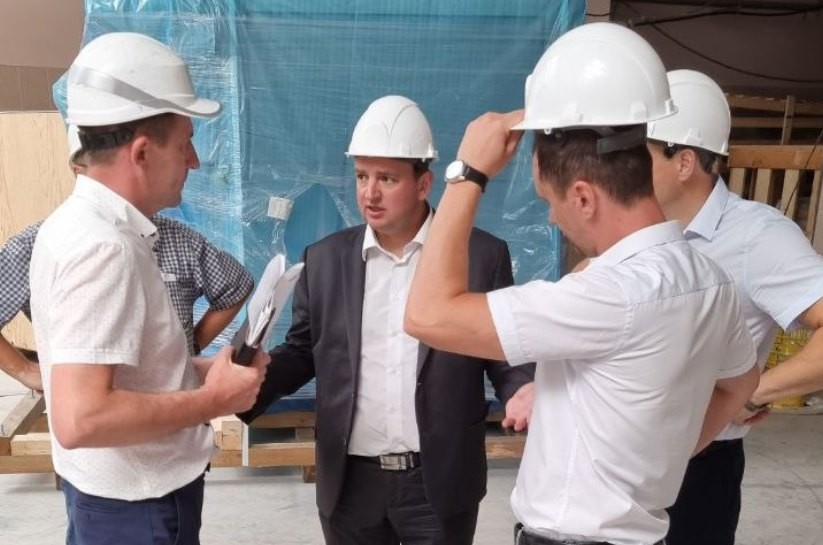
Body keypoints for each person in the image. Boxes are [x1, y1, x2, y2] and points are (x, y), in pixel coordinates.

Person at [403, 23, 759, 545]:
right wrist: (666, 453)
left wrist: (469, 174)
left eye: (550, 203)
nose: (551, 219)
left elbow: (427, 315)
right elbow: (740, 383)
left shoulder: (609, 297)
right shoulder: (711, 281)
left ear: (584, 197)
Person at [238, 95, 535, 545]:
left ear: (423, 184)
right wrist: (240, 389)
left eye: (387, 178)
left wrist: (521, 389)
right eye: (362, 176)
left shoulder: (479, 256)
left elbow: (500, 348)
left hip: (438, 483)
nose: (369, 193)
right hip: (350, 484)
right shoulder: (326, 260)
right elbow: (302, 351)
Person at [29, 32, 267, 545]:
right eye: (184, 144)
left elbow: (112, 374)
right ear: (141, 152)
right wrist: (212, 400)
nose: (194, 160)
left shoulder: (72, 225)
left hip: (111, 496)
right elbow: (82, 418)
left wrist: (197, 370)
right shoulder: (104, 248)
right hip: (139, 510)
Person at [644, 69, 823, 545]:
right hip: (622, 458)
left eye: (638, 153)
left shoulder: (757, 236)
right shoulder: (641, 231)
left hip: (697, 472)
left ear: (685, 162)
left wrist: (754, 391)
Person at [0, 126, 254, 392]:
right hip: (113, 412)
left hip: (172, 405)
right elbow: (84, 412)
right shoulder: (44, 243)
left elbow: (236, 286)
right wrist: (25, 371)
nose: (193, 162)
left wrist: (191, 348)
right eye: (182, 145)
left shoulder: (178, 239)